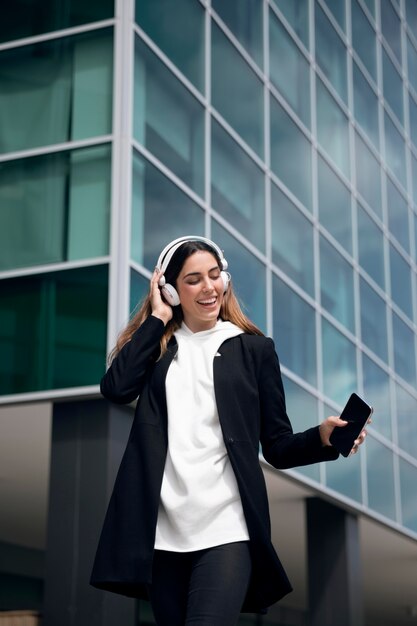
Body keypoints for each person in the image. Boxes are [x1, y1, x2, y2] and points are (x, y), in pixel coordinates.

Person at [90, 235, 368, 626]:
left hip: (226, 528)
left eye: (215, 275)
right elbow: (116, 389)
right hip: (162, 533)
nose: (208, 287)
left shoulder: (254, 350)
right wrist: (156, 319)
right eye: (193, 279)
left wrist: (322, 438)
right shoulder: (159, 349)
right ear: (170, 290)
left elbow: (277, 446)